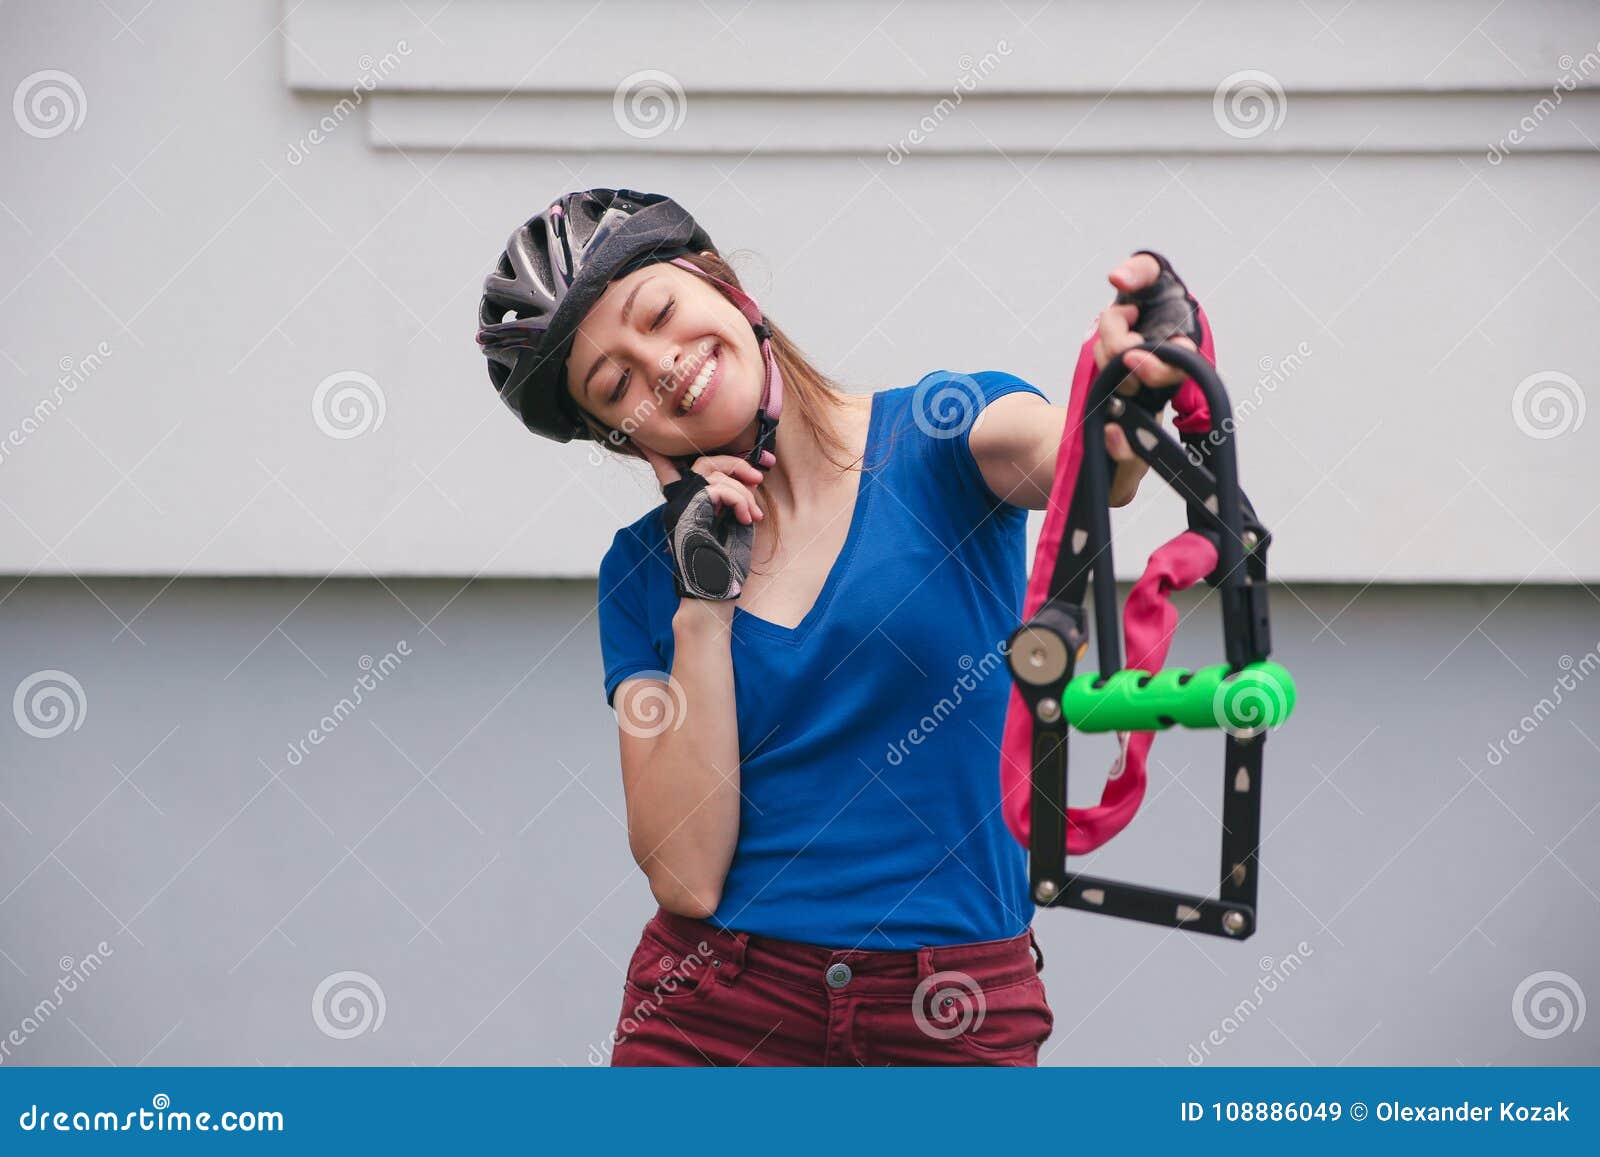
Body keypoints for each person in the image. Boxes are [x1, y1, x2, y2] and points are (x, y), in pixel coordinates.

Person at [476, 188, 1202, 1066]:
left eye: (660, 313)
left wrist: (1131, 376)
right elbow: (685, 874)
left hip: (953, 1010)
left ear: (725, 285)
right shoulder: (640, 575)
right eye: (615, 383)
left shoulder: (943, 432)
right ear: (621, 439)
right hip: (715, 1012)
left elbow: (1094, 462)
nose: (661, 366)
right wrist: (702, 604)